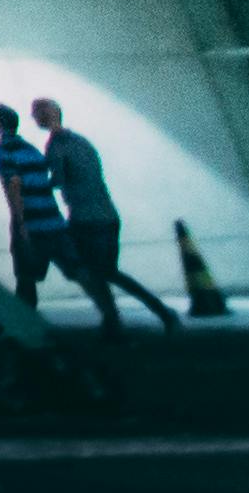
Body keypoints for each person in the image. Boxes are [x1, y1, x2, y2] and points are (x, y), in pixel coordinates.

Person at [31, 96, 182, 331]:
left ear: (47, 115)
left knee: (92, 271)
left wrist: (26, 185)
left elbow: (56, 180)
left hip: (86, 218)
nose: (34, 117)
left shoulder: (57, 145)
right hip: (107, 215)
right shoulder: (82, 142)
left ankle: (135, 315)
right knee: (104, 271)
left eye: (36, 113)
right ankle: (133, 316)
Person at [0, 103, 61, 299]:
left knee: (25, 277)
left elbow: (14, 186)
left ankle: (27, 325)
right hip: (52, 219)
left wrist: (19, 224)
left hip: (30, 220)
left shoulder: (3, 150)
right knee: (76, 270)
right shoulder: (32, 149)